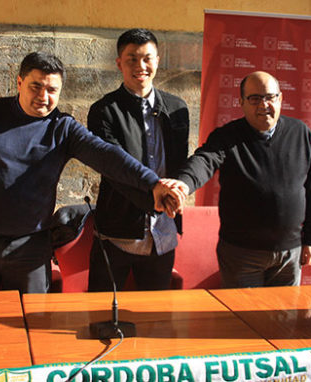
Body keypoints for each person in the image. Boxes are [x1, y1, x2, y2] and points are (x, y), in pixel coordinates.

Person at [0, 52, 184, 294]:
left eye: (52, 90)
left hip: (30, 249)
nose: (43, 96)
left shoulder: (64, 129)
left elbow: (108, 157)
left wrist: (153, 183)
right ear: (19, 82)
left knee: (32, 327)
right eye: (35, 86)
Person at [171, 71, 311, 288]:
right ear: (242, 103)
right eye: (254, 99)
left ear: (280, 99)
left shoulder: (300, 133)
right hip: (241, 255)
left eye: (270, 97)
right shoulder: (227, 136)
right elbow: (204, 160)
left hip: (289, 254)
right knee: (241, 319)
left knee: (285, 319)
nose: (263, 105)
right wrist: (184, 183)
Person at [86, 29, 189, 292]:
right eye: (131, 59)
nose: (140, 66)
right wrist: (156, 197)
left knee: (153, 318)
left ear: (158, 60)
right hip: (117, 234)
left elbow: (179, 164)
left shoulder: (177, 108)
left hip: (163, 236)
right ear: (119, 62)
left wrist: (176, 192)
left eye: (147, 58)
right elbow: (114, 167)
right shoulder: (104, 111)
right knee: (103, 315)